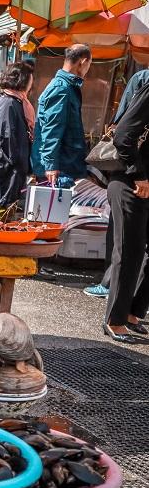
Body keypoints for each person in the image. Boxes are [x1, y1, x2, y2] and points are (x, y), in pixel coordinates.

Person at [85, 67, 149, 298]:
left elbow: (120, 121)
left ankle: (126, 301)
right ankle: (112, 288)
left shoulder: (141, 78)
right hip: (132, 175)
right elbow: (122, 130)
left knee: (128, 244)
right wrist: (138, 173)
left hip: (133, 172)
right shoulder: (143, 79)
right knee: (127, 245)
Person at [103, 83, 149, 342]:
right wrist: (138, 174)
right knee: (129, 252)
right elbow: (123, 135)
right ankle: (115, 320)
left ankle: (133, 312)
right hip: (131, 184)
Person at [31, 44, 91, 186]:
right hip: (59, 169)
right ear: (83, 62)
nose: (88, 69)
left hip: (65, 165)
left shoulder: (67, 86)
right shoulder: (61, 88)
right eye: (90, 64)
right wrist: (51, 165)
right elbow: (52, 129)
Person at [0, 62, 35, 207]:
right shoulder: (8, 103)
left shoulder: (17, 102)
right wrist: (18, 163)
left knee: (10, 208)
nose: (32, 83)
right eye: (30, 78)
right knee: (4, 208)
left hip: (13, 169)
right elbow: (7, 138)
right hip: (7, 170)